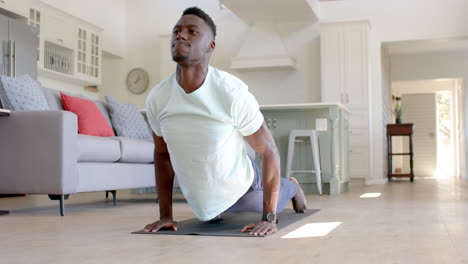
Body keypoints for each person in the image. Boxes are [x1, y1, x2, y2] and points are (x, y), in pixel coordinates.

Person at [143, 7, 307, 236]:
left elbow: (269, 150)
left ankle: (292, 186)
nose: (181, 35)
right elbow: (162, 156)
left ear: (211, 46)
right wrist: (166, 216)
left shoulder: (231, 92)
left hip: (244, 182)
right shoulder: (157, 98)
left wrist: (269, 217)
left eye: (192, 31)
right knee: (209, 216)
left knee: (253, 205)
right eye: (177, 31)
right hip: (206, 197)